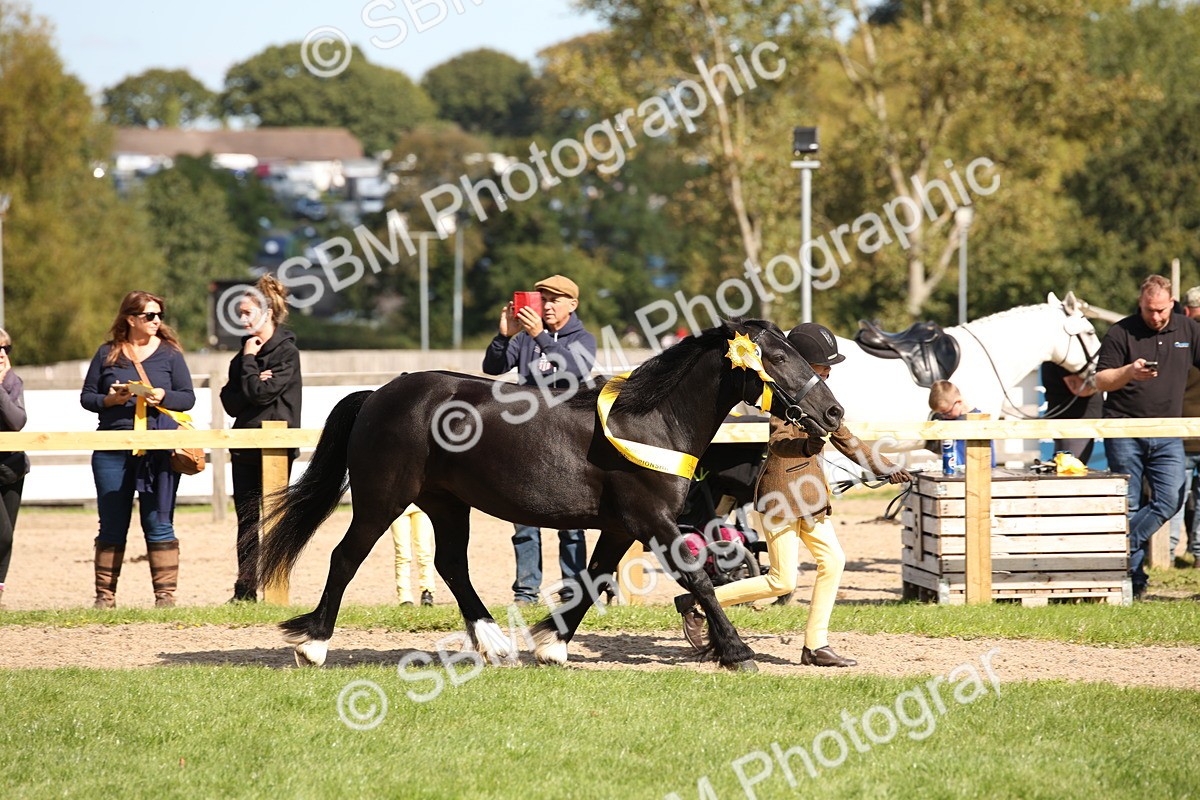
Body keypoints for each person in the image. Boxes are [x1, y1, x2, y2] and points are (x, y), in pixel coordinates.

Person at [676, 323, 911, 667]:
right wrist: (805, 443)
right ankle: (697, 604)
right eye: (823, 365)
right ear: (804, 364)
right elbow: (777, 443)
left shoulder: (821, 401)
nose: (829, 371)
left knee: (834, 561)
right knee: (781, 580)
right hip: (781, 497)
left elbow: (848, 440)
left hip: (812, 500)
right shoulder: (784, 399)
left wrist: (886, 466)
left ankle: (816, 645)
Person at [1066, 275, 1200, 595]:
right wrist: (1129, 371)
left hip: (1168, 431)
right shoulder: (1120, 332)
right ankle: (1134, 583)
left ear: (1172, 304)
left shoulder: (1189, 329)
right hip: (1124, 429)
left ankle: (1120, 548)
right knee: (1127, 504)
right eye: (1149, 310)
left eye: (1161, 310)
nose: (1155, 316)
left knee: (1170, 499)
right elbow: (1100, 381)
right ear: (1140, 304)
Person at [482, 274, 597, 604]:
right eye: (542, 299)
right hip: (528, 437)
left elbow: (573, 369)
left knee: (572, 522)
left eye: (554, 300)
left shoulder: (583, 338)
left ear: (572, 305)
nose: (546, 305)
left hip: (569, 439)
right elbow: (492, 365)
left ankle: (573, 591)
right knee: (523, 517)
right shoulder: (524, 338)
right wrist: (504, 337)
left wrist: (541, 337)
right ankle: (526, 592)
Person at [80, 291, 195, 608]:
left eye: (159, 315)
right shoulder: (107, 354)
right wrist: (110, 400)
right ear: (130, 319)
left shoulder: (171, 354)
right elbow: (87, 398)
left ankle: (165, 596)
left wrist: (163, 395)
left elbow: (188, 397)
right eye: (149, 316)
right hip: (112, 447)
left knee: (159, 519)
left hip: (158, 448)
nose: (157, 321)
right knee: (112, 521)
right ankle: (105, 596)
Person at [219, 275, 302, 602]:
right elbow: (231, 400)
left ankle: (278, 590)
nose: (242, 319)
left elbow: (260, 392)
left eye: (247, 312)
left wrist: (251, 369)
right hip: (244, 446)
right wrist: (251, 372)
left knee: (276, 519)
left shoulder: (286, 353)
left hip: (275, 448)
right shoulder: (242, 355)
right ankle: (245, 590)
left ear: (267, 312)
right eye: (239, 313)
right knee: (247, 520)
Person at [1168, 286, 1200, 568]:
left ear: (1186, 311)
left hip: (1181, 429)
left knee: (1174, 495)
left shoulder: (1180, 339)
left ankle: (1165, 554)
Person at [0, 329, 27, 609]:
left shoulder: (12, 383)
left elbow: (17, 420)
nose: (2, 354)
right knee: (2, 532)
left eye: (6, 348)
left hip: (11, 468)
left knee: (7, 537)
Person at [1041, 361, 1103, 464]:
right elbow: (1081, 389)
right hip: (1074, 425)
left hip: (1077, 423)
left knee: (1069, 469)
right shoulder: (1064, 359)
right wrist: (1108, 381)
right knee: (1070, 471)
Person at [928, 380, 995, 468]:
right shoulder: (948, 420)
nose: (944, 417)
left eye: (947, 413)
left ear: (959, 402)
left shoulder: (978, 422)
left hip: (978, 472)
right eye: (940, 414)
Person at [391, 505, 435, 606]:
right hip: (398, 508)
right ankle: (404, 597)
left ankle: (427, 591)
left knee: (424, 551)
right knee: (402, 553)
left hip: (422, 507)